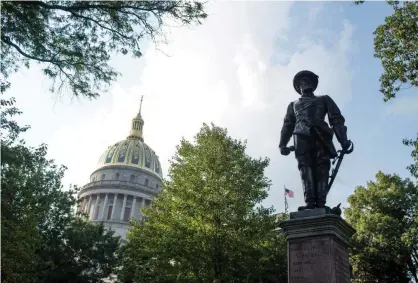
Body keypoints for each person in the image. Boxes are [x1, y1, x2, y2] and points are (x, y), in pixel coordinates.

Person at [279, 70, 351, 211]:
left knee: (322, 168)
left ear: (313, 84)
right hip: (301, 139)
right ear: (298, 86)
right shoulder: (292, 105)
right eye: (302, 81)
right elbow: (287, 125)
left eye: (308, 80)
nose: (306, 82)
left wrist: (343, 140)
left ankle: (321, 203)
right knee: (305, 170)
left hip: (321, 137)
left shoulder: (324, 99)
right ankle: (310, 202)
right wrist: (282, 144)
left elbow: (336, 119)